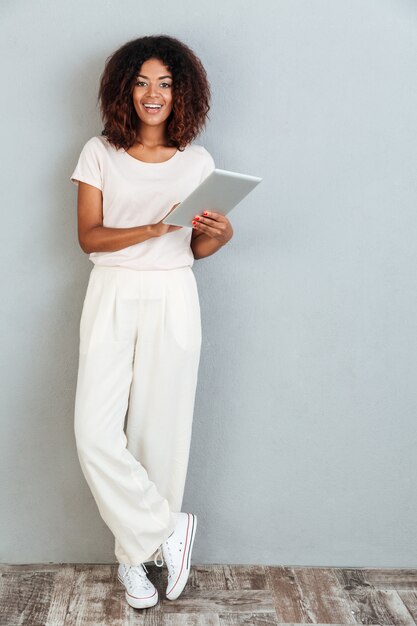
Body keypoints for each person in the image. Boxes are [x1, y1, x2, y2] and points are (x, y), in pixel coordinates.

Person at [70, 34, 233, 610]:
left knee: (158, 435)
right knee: (94, 432)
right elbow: (90, 236)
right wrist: (149, 227)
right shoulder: (99, 152)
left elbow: (195, 248)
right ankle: (167, 528)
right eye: (141, 81)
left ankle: (135, 562)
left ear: (182, 92)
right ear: (124, 89)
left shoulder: (198, 163)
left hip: (172, 293)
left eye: (165, 82)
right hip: (112, 290)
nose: (153, 93)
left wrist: (217, 236)